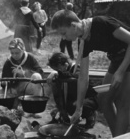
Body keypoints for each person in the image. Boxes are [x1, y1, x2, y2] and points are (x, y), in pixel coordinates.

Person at [51, 9, 130, 137]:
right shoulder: (84, 40)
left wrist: (120, 72)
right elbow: (83, 77)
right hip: (117, 59)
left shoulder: (100, 23)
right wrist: (78, 109)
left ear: (73, 25)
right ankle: (119, 135)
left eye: (63, 33)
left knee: (123, 102)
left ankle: (119, 136)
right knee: (103, 99)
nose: (63, 37)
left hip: (127, 57)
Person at [46, 52, 98, 129]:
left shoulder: (76, 68)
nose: (58, 71)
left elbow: (76, 77)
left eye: (58, 69)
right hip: (76, 98)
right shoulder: (63, 71)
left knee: (74, 106)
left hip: (89, 98)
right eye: (56, 70)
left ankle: (91, 117)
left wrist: (57, 74)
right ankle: (65, 118)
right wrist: (60, 108)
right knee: (68, 105)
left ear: (65, 64)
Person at [0, 38, 43, 118]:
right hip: (15, 89)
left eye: (17, 53)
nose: (14, 55)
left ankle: (34, 110)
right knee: (5, 96)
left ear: (23, 50)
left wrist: (25, 73)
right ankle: (14, 108)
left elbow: (40, 71)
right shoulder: (8, 62)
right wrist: (5, 82)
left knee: (37, 76)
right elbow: (3, 80)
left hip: (28, 87)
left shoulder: (30, 58)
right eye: (12, 53)